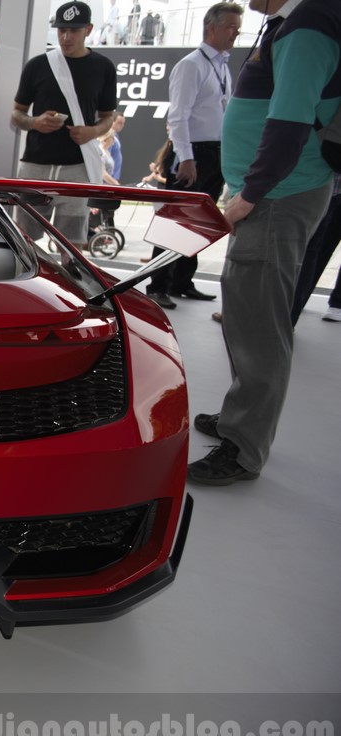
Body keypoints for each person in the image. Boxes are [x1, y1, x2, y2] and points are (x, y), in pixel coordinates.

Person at [188, 0, 340, 486]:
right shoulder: (287, 24)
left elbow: (291, 120)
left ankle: (244, 446)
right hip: (271, 192)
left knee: (259, 322)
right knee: (247, 312)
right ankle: (241, 417)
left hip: (278, 195)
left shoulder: (309, 23)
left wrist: (251, 192)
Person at [145, 2, 243, 309]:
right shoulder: (192, 64)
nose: (236, 33)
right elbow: (179, 116)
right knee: (173, 222)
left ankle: (182, 281)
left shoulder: (222, 64)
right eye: (231, 27)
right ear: (211, 28)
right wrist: (186, 157)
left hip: (215, 152)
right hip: (193, 153)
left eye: (238, 28)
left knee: (198, 223)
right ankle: (157, 285)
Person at [10, 1, 117, 250]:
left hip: (76, 169)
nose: (66, 37)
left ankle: (69, 289)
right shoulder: (37, 65)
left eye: (74, 31)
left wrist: (92, 132)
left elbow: (108, 117)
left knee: (72, 246)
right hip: (35, 167)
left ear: (88, 29)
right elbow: (16, 114)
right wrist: (35, 122)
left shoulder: (104, 67)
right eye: (61, 30)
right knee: (24, 242)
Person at [291, 174, 341, 324]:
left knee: (315, 246)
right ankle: (297, 303)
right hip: (329, 183)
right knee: (315, 247)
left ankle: (296, 304)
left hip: (327, 182)